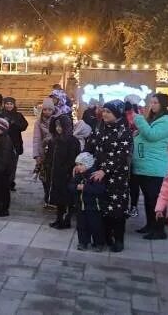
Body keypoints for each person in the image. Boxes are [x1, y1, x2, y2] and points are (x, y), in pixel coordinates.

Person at [85, 99, 133, 253]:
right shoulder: (99, 127)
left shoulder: (123, 132)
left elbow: (122, 156)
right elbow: (90, 146)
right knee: (102, 207)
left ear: (117, 114)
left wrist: (105, 170)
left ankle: (119, 239)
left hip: (117, 177)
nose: (104, 114)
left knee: (117, 210)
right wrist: (82, 162)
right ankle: (104, 237)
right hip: (98, 174)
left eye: (108, 112)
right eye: (104, 111)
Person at [132, 93, 168, 240]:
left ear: (163, 104)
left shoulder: (167, 121)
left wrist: (138, 118)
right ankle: (150, 225)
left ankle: (159, 230)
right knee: (148, 198)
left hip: (154, 166)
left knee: (156, 199)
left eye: (155, 103)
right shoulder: (153, 119)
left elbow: (152, 135)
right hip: (144, 166)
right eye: (151, 102)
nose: (152, 105)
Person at [47, 115, 81, 229]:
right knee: (58, 198)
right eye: (56, 126)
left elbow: (73, 159)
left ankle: (66, 220)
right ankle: (59, 218)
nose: (58, 128)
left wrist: (66, 171)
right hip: (56, 174)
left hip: (66, 174)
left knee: (67, 198)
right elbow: (50, 156)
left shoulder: (72, 141)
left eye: (60, 126)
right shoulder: (54, 140)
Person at [70, 152, 107, 251]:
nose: (78, 167)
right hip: (81, 206)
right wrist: (75, 187)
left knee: (96, 226)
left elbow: (99, 190)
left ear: (88, 164)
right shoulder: (78, 175)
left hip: (94, 207)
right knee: (81, 226)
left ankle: (98, 243)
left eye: (81, 164)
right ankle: (83, 242)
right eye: (77, 164)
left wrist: (84, 187)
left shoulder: (95, 176)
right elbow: (70, 186)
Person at [0, 117, 15, 217]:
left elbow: (5, 156)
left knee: (3, 189)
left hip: (4, 170)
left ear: (3, 129)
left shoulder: (6, 139)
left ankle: (4, 208)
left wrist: (1, 167)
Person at [2, 97, 29, 191]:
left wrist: (14, 124)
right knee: (3, 164)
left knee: (13, 165)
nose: (9, 106)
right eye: (7, 104)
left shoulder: (18, 115)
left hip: (15, 143)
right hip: (2, 143)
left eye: (11, 104)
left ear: (14, 105)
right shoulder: (1, 114)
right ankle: (3, 182)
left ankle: (10, 182)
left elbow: (24, 126)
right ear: (4, 104)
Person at [33, 98, 56, 208]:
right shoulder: (38, 122)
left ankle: (53, 197)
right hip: (43, 153)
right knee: (44, 176)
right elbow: (36, 138)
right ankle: (47, 196)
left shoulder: (57, 121)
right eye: (45, 109)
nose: (47, 112)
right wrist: (36, 155)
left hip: (55, 153)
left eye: (49, 110)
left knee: (53, 176)